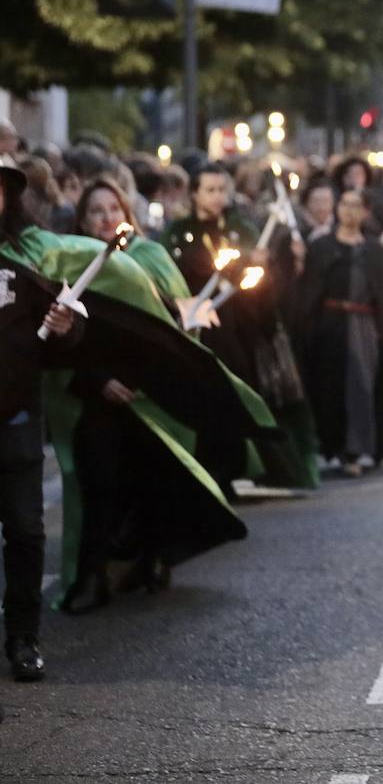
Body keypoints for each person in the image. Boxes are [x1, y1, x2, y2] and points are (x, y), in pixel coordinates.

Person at [51, 180, 248, 613]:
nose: (106, 218)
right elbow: (65, 339)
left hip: (150, 392)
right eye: (96, 211)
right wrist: (101, 380)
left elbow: (173, 324)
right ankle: (92, 575)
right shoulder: (70, 263)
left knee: (157, 474)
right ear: (82, 220)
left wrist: (147, 376)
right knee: (97, 482)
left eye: (113, 209)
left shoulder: (150, 258)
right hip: (98, 392)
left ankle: (151, 558)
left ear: (127, 214)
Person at [162, 164, 319, 491]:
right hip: (196, 329)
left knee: (236, 393)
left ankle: (239, 467)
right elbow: (169, 275)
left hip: (236, 330)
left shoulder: (242, 229)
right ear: (194, 193)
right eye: (210, 190)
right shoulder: (177, 232)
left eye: (223, 190)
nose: (218, 197)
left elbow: (262, 284)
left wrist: (261, 265)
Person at [0, 163, 79, 683]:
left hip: (16, 419)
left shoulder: (26, 264)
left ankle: (23, 638)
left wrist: (63, 328)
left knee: (27, 532)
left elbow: (51, 352)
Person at [295, 189, 383, 476]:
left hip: (364, 328)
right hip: (330, 328)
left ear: (365, 212)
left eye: (356, 206)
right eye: (344, 204)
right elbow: (308, 292)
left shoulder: (374, 250)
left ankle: (357, 448)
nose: (349, 211)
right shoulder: (322, 248)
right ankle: (340, 447)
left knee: (360, 386)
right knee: (333, 388)